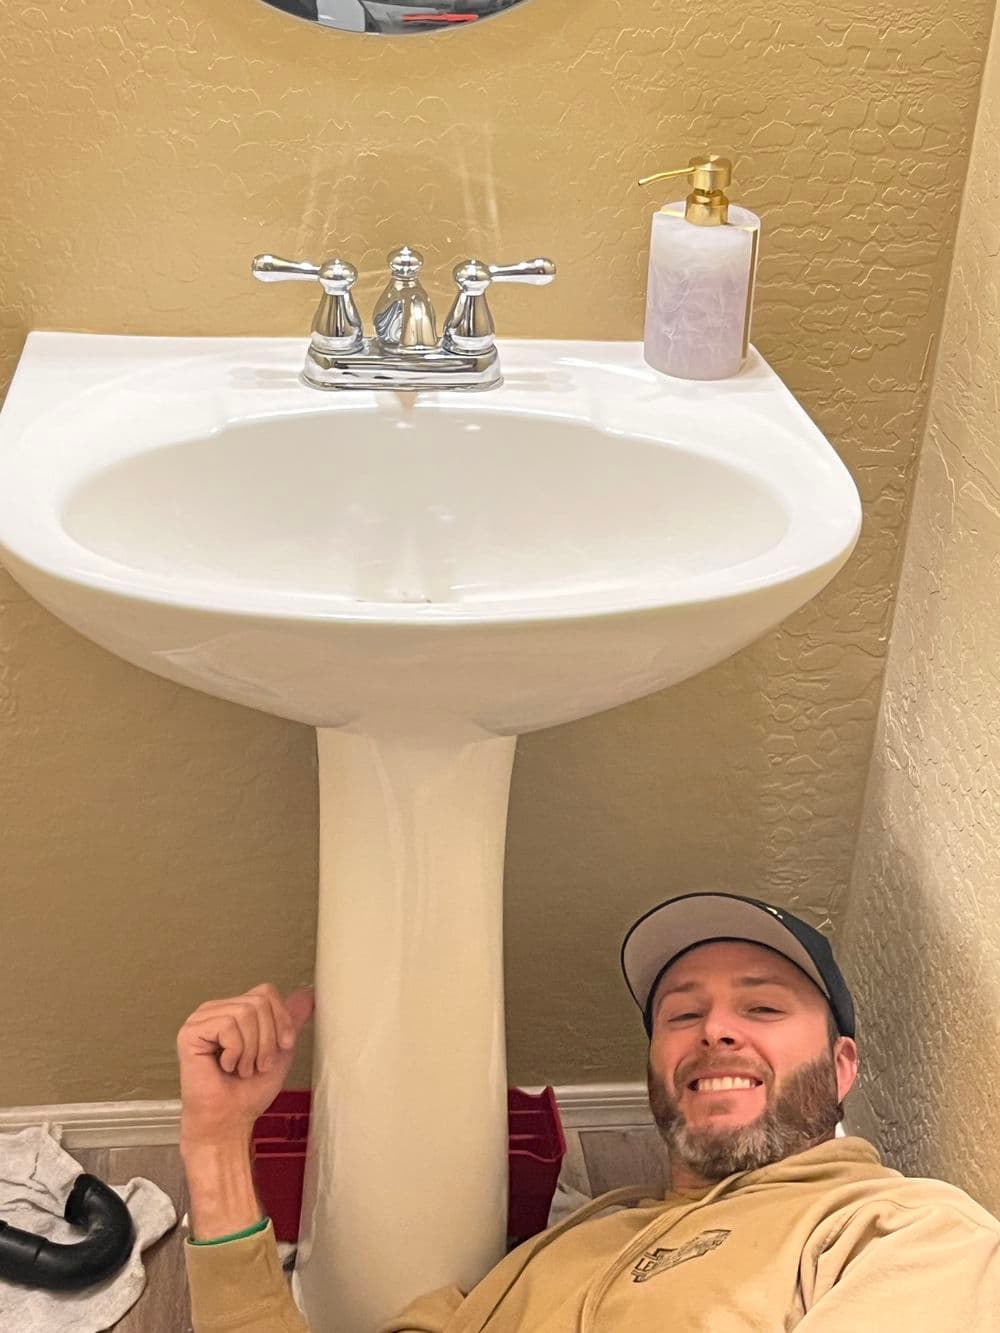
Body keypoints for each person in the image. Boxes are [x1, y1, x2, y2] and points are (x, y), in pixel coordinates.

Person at [178, 892, 1000, 1331]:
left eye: (762, 1008)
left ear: (843, 1063)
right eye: (682, 1013)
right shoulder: (566, 1248)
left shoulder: (906, 1229)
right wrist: (217, 1139)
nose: (714, 1027)